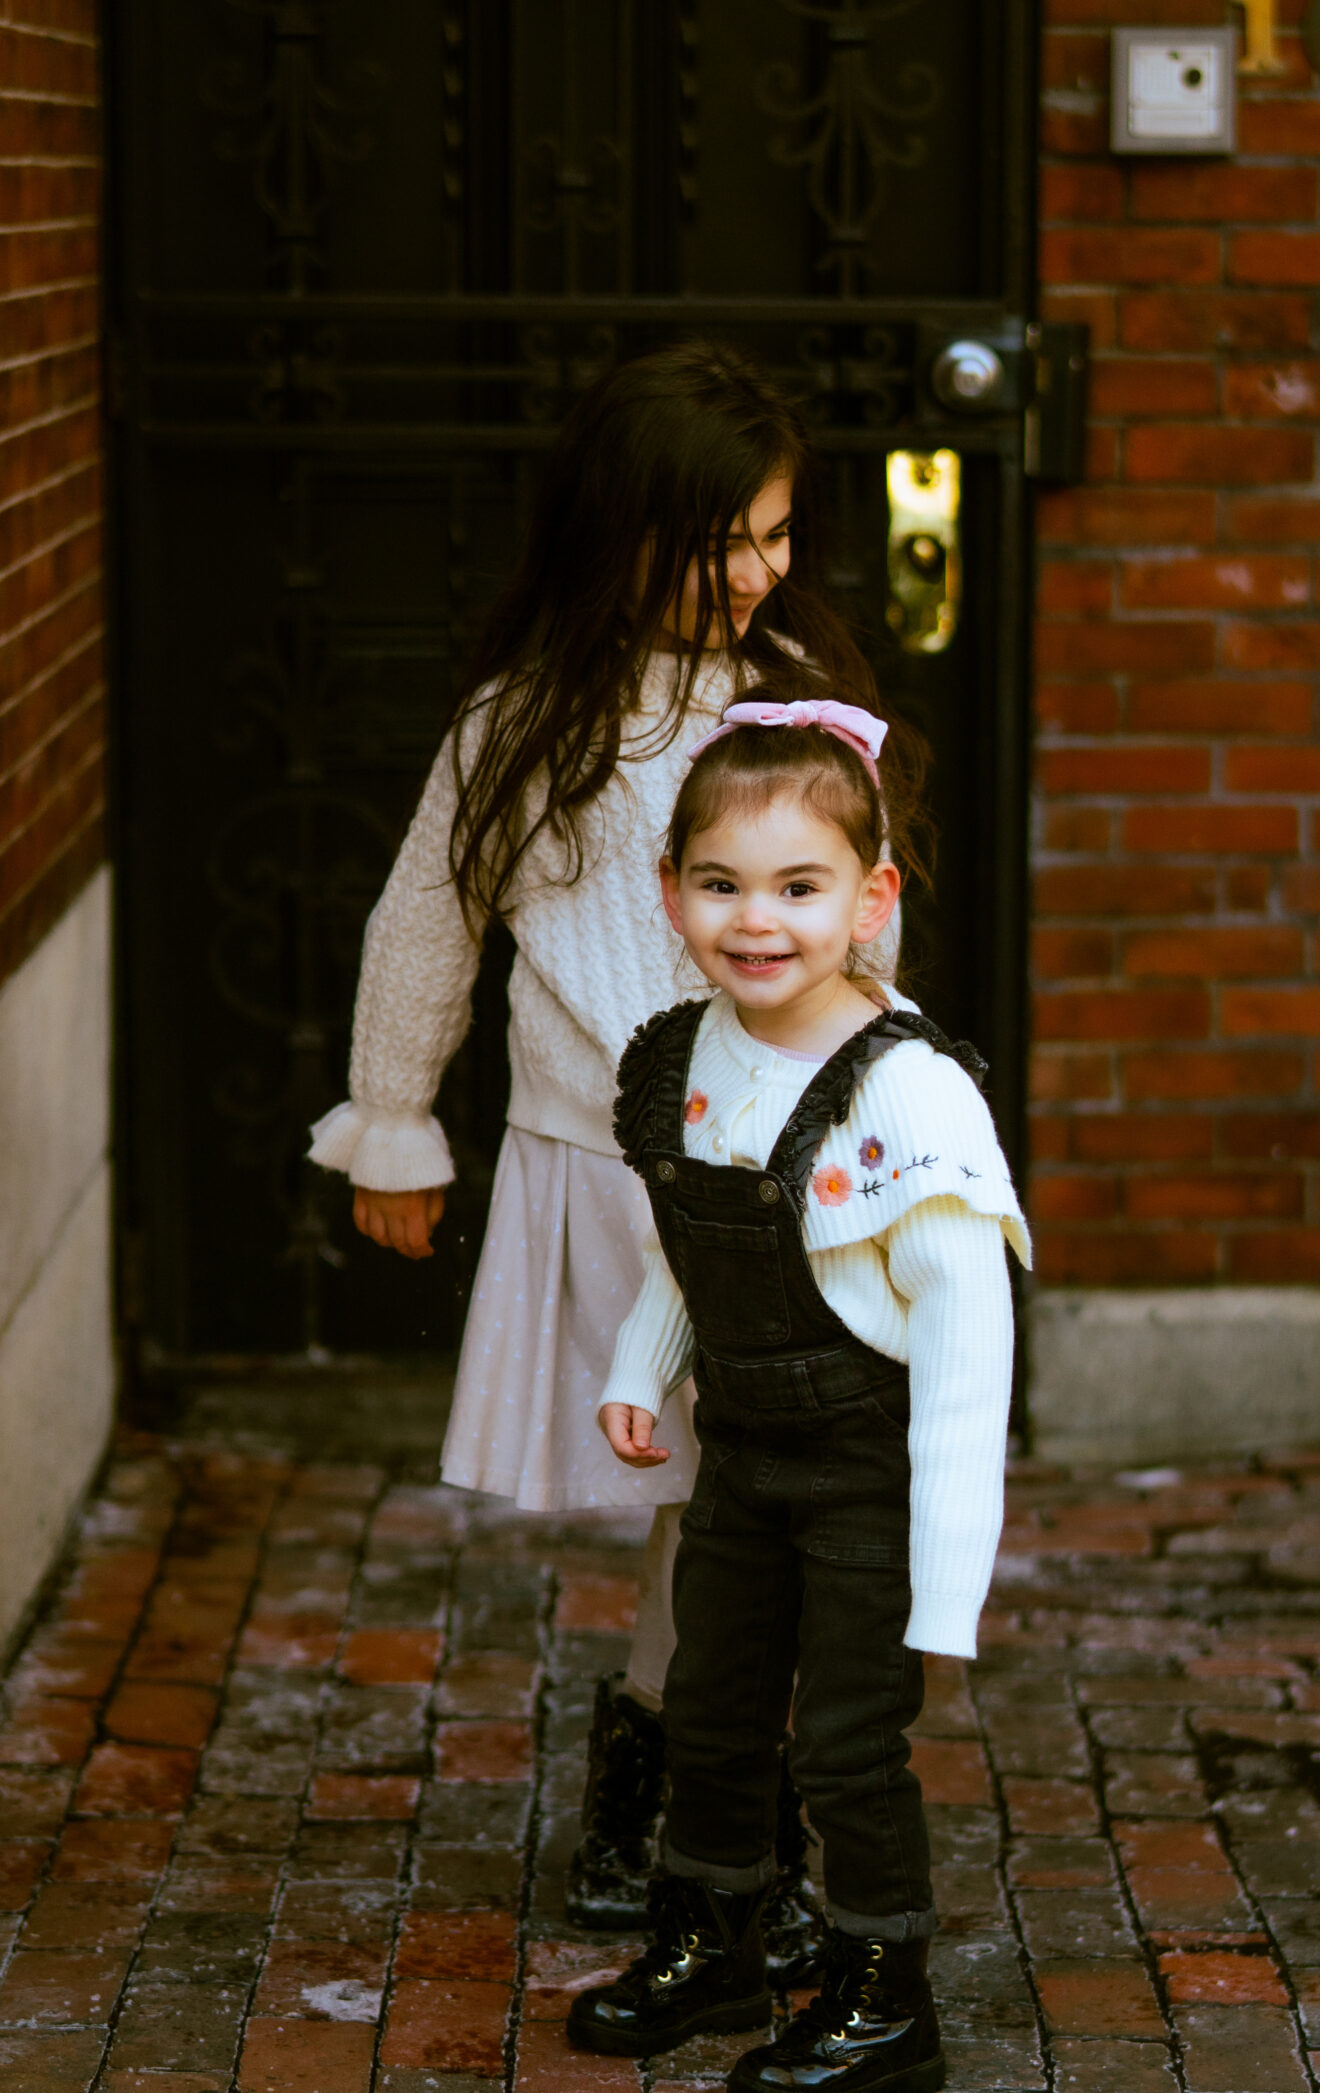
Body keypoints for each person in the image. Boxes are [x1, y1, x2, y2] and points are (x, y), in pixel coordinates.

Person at [307, 342, 912, 1960]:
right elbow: (424, 928)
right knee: (703, 1497)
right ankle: (668, 1804)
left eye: (776, 534)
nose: (754, 571)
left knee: (755, 1501)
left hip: (794, 1172)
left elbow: (866, 907)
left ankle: (702, 1795)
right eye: (721, 539)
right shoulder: (527, 722)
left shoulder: (794, 698)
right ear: (615, 528)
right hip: (611, 1170)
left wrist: (893, 1111)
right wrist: (396, 1123)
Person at [566, 696, 1030, 2093]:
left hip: (867, 1468)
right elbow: (691, 1247)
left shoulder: (909, 1096)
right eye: (720, 884)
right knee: (710, 1702)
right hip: (746, 1457)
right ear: (671, 894)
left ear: (871, 898)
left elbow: (966, 1369)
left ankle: (886, 1993)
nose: (754, 921)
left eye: (798, 886)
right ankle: (716, 1932)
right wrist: (643, 1367)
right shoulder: (684, 1054)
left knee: (843, 1737)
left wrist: (945, 1601)